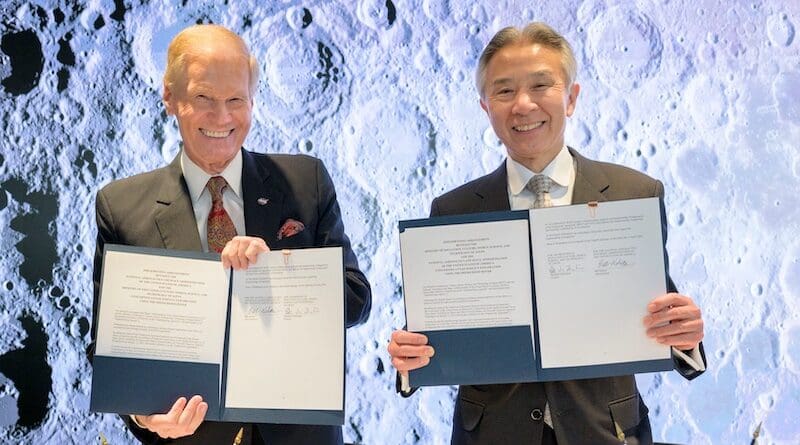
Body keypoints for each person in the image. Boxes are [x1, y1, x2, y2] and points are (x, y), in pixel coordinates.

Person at [387, 22, 706, 445]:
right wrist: (413, 359)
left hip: (606, 432)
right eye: (503, 91)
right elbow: (443, 331)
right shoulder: (454, 210)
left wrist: (685, 338)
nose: (523, 105)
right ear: (485, 107)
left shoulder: (635, 195)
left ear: (571, 98)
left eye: (541, 85)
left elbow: (657, 307)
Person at [89, 24, 371, 445]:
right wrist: (144, 418)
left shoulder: (306, 180)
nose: (222, 118)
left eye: (236, 100)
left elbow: (356, 301)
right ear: (170, 98)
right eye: (203, 98)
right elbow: (108, 348)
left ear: (253, 101)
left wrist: (273, 273)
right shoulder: (121, 206)